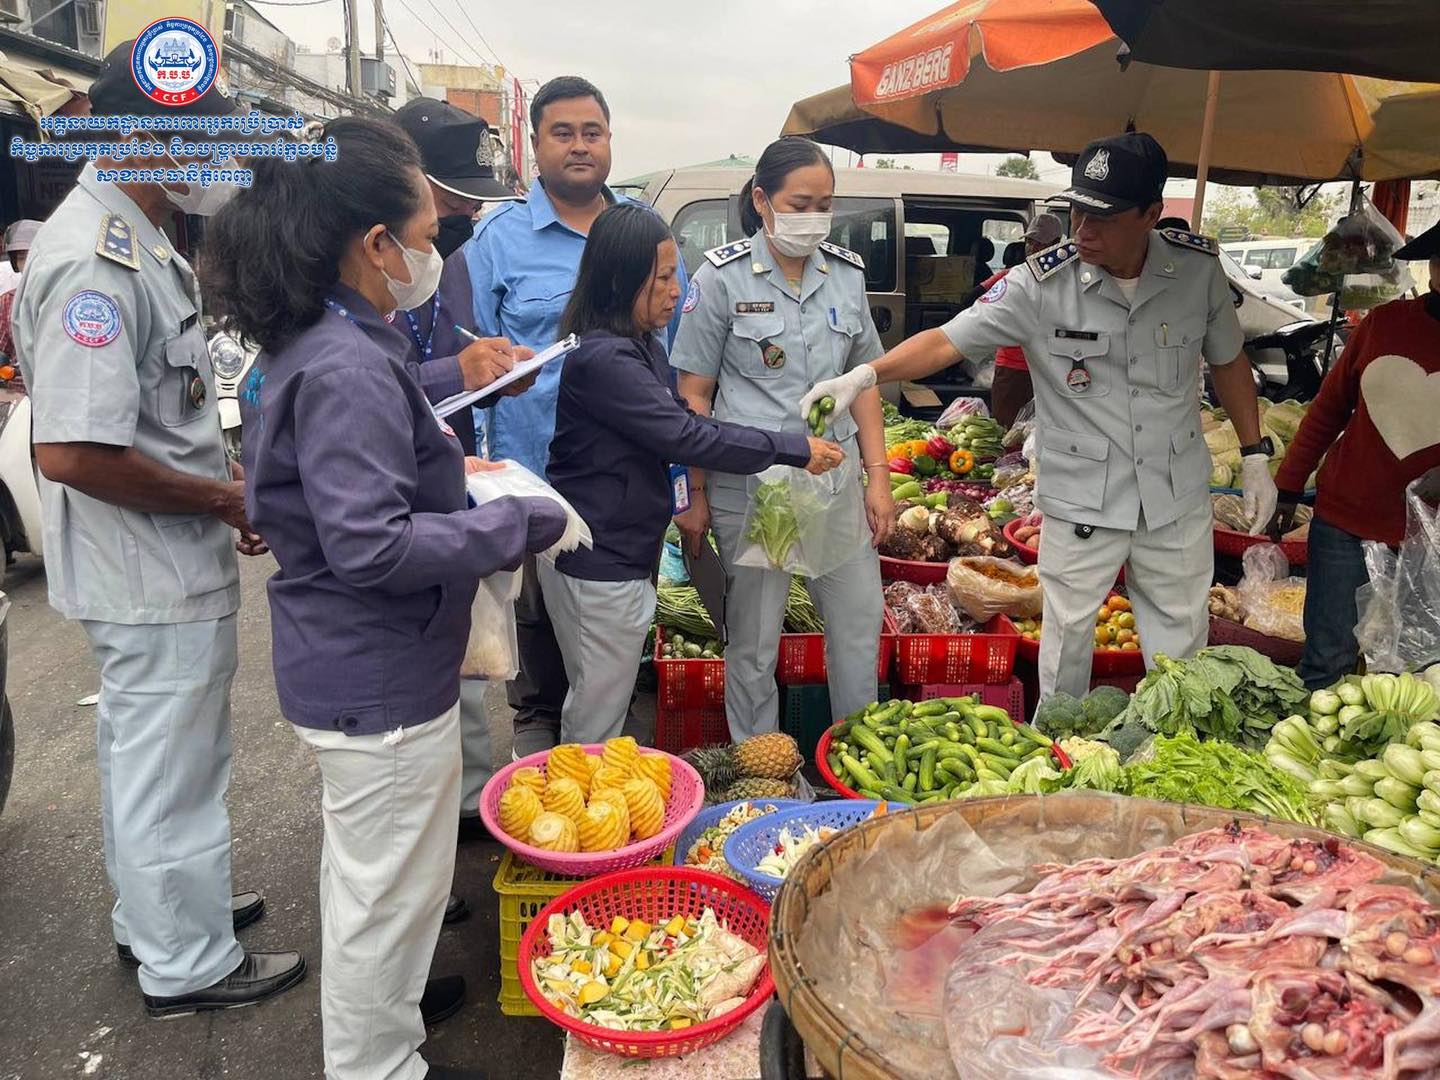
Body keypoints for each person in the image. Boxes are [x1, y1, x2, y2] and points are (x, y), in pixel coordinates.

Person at [206, 116, 566, 1080]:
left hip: (361, 660)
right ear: (373, 245)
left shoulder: (334, 342)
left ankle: (385, 1029)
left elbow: (362, 490)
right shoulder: (349, 363)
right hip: (375, 670)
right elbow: (369, 544)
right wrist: (510, 524)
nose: (431, 252)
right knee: (386, 896)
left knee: (375, 883)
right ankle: (377, 1064)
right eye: (424, 233)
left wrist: (454, 467)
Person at [11, 40, 304, 1018]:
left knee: (160, 762)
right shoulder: (95, 261)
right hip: (145, 575)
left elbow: (151, 418)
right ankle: (188, 963)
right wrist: (227, 500)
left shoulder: (138, 234)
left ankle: (165, 919)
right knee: (166, 767)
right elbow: (73, 452)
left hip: (159, 564)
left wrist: (221, 478)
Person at [803, 133, 1277, 700]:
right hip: (1084, 496)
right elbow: (947, 342)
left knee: (1181, 643)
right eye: (1077, 209)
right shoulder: (1039, 284)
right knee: (1067, 637)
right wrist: (866, 375)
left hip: (1173, 495)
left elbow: (1229, 361)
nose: (1083, 229)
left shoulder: (1196, 274)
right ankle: (1062, 755)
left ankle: (1168, 752)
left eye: (1104, 216)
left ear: (1152, 214)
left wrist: (1254, 455)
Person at [542, 203, 843, 741]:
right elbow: (686, 434)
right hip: (598, 561)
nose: (675, 291)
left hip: (622, 553)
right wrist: (791, 448)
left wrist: (687, 498)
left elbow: (680, 425)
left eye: (674, 276)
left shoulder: (640, 348)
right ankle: (581, 811)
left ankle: (597, 804)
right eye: (660, 279)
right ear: (620, 279)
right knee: (596, 711)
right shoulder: (605, 360)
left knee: (605, 700)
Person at [464, 75, 687, 756]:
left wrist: (679, 479)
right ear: (536, 146)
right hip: (531, 474)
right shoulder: (498, 242)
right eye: (564, 133)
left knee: (614, 625)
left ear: (610, 140)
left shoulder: (643, 231)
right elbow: (469, 364)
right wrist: (468, 473)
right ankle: (537, 734)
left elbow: (669, 362)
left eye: (593, 132)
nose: (581, 146)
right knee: (535, 621)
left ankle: (603, 744)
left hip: (623, 486)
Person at [672, 137, 890, 740]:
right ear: (763, 201)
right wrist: (694, 492)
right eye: (801, 203)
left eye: (825, 203)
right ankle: (761, 770)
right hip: (756, 485)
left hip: (834, 480)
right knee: (755, 639)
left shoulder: (845, 276)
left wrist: (880, 477)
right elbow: (694, 395)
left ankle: (857, 757)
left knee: (856, 622)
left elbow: (865, 382)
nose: (814, 216)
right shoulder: (721, 278)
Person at [393, 98, 523, 897]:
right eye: (444, 203)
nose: (462, 216)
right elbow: (361, 384)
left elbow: (457, 350)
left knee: (466, 666)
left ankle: (468, 809)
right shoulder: (341, 293)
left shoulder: (448, 256)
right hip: (403, 509)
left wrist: (496, 367)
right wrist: (456, 375)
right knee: (415, 702)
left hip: (451, 479)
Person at [1268, 220, 1440, 689]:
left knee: (1414, 669)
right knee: (1327, 657)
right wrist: (1287, 486)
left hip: (1430, 540)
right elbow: (1327, 410)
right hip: (1345, 519)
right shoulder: (1385, 325)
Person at [979, 213, 1065, 427]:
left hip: (1049, 366)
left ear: (1056, 244)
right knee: (1006, 427)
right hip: (1013, 366)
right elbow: (973, 298)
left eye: (1038, 242)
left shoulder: (1069, 278)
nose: (1031, 247)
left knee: (1037, 429)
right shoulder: (1013, 276)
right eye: (1029, 241)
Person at [0, 219, 39, 367]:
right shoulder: (8, 301)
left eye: (31, 256)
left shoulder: (67, 295)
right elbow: (2, 348)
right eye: (22, 258)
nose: (27, 263)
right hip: (18, 386)